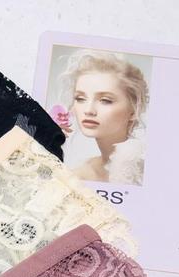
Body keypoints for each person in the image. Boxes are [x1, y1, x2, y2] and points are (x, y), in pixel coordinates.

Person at [59, 50, 149, 185]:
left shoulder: (141, 165)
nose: (88, 110)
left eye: (105, 100)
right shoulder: (82, 171)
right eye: (80, 98)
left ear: (134, 109)